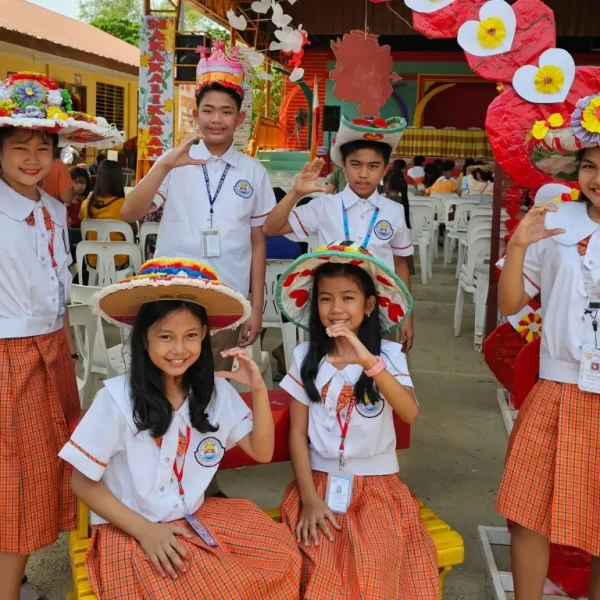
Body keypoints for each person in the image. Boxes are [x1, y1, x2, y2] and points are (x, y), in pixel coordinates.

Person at [59, 258, 302, 599]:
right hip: (129, 528)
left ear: (204, 334)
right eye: (165, 337)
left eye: (190, 336)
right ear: (144, 339)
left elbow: (261, 451)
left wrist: (258, 391)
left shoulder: (216, 392)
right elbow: (81, 481)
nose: (179, 349)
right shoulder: (114, 398)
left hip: (193, 516)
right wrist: (146, 531)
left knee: (281, 558)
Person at [0, 71, 123, 600]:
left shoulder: (53, 210)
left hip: (52, 355)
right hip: (7, 357)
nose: (32, 157)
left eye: (43, 147)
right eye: (20, 146)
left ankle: (14, 579)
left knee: (38, 476)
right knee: (16, 479)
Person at [275, 241, 439, 599]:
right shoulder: (306, 355)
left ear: (368, 305)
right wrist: (309, 498)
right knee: (316, 561)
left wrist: (367, 360)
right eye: (325, 298)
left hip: (377, 489)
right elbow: (298, 434)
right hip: (318, 485)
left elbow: (409, 412)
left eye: (348, 298)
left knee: (376, 564)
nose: (336, 309)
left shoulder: (390, 355)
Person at [121, 41, 274, 372]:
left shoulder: (253, 172)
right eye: (208, 110)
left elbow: (257, 241)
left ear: (240, 117)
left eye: (226, 111)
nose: (216, 120)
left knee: (214, 385)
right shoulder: (173, 163)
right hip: (170, 293)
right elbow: (128, 213)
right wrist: (163, 165)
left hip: (227, 300)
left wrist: (256, 307)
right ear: (195, 114)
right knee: (167, 381)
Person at [497, 143, 600, 596]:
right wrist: (519, 244)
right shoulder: (557, 219)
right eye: (591, 167)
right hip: (556, 385)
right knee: (526, 513)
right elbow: (511, 305)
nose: (597, 178)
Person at [263, 115, 416, 352]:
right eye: (356, 164)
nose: (364, 174)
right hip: (331, 308)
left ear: (385, 168)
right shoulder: (325, 206)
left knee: (376, 367)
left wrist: (406, 315)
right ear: (343, 165)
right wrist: (295, 193)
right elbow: (270, 228)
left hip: (379, 306)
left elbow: (400, 264)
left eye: (373, 166)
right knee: (330, 366)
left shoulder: (394, 211)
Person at [80, 160, 136, 269]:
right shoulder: (125, 205)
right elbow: (133, 232)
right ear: (119, 179)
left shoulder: (86, 204)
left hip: (93, 262)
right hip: (119, 261)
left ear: (99, 178)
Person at [384, 169, 415, 276]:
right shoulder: (403, 201)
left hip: (387, 250)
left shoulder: (385, 203)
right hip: (401, 249)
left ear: (386, 184)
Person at [66, 166, 90, 248]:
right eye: (76, 182)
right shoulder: (64, 201)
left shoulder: (87, 201)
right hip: (70, 237)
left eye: (83, 183)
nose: (80, 186)